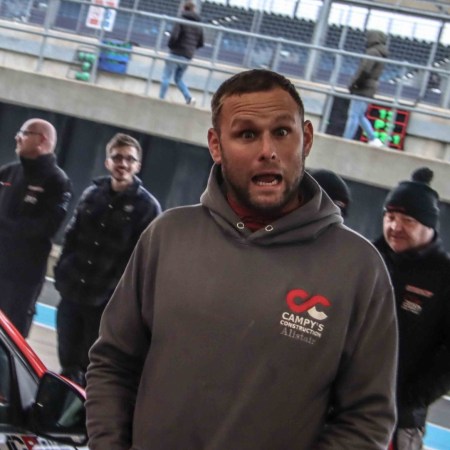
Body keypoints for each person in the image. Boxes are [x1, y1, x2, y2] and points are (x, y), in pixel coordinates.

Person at [86, 69, 398, 449]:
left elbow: (367, 418)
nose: (267, 150)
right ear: (216, 145)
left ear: (306, 139)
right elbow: (113, 363)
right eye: (247, 134)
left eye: (282, 132)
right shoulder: (167, 237)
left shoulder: (358, 269)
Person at [54, 133, 161, 387]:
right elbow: (71, 236)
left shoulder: (147, 207)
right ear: (107, 162)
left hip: (105, 304)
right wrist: (62, 271)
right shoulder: (92, 194)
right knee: (67, 361)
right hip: (73, 294)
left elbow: (145, 262)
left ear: (138, 165)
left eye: (129, 159)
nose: (122, 163)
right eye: (117, 157)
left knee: (92, 369)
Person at [374, 167, 450, 450]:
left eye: (408, 220)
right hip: (340, 407)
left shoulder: (444, 276)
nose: (395, 227)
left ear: (429, 225)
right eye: (390, 217)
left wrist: (411, 399)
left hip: (398, 420)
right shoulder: (367, 259)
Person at [0, 118, 71, 337]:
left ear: (41, 140)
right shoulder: (8, 172)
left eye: (23, 133)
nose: (17, 137)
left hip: (20, 279)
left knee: (9, 338)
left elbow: (44, 228)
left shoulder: (57, 182)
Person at [343, 30, 388, 147]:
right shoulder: (380, 53)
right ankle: (373, 138)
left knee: (353, 115)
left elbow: (364, 70)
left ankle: (346, 140)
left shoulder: (372, 52)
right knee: (360, 115)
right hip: (370, 87)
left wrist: (354, 83)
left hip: (363, 87)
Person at [158, 1, 204, 105]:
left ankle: (160, 99)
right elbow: (201, 43)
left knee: (166, 77)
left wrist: (171, 46)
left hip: (176, 53)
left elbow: (174, 36)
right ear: (194, 9)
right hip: (187, 56)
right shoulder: (198, 24)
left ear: (183, 8)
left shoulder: (180, 20)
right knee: (178, 79)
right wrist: (191, 49)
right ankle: (189, 98)